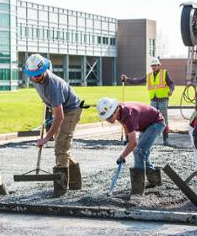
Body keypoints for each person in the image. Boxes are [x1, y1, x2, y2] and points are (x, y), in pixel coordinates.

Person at [24, 54, 83, 197]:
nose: (35, 78)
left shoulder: (53, 85)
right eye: (33, 75)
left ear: (43, 70)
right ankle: (75, 182)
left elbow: (60, 116)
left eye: (38, 75)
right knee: (63, 147)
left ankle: (60, 189)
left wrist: (45, 138)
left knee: (60, 146)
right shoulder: (34, 76)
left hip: (71, 110)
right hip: (57, 107)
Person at [97, 97, 165, 198]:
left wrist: (122, 156)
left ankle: (138, 190)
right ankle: (154, 180)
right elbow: (125, 126)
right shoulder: (120, 112)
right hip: (147, 124)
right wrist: (127, 137)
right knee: (142, 152)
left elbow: (133, 143)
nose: (109, 120)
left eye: (109, 117)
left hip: (156, 123)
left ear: (116, 110)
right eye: (106, 118)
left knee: (139, 151)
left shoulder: (127, 114)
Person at [121, 57, 174, 145]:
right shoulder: (149, 76)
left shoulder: (164, 73)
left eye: (155, 65)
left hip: (163, 100)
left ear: (158, 65)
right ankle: (150, 138)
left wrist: (171, 90)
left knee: (164, 119)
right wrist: (127, 79)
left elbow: (171, 83)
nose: (154, 67)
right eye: (152, 66)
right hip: (153, 100)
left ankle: (166, 139)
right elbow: (139, 80)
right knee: (150, 119)